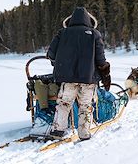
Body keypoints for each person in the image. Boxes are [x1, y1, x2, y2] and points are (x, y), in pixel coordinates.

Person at [47, 7, 111, 140]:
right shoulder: (94, 34)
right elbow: (100, 59)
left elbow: (51, 54)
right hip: (88, 78)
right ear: (89, 20)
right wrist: (104, 72)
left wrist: (60, 64)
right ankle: (84, 133)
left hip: (67, 78)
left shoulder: (62, 33)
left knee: (64, 104)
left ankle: (58, 131)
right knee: (85, 106)